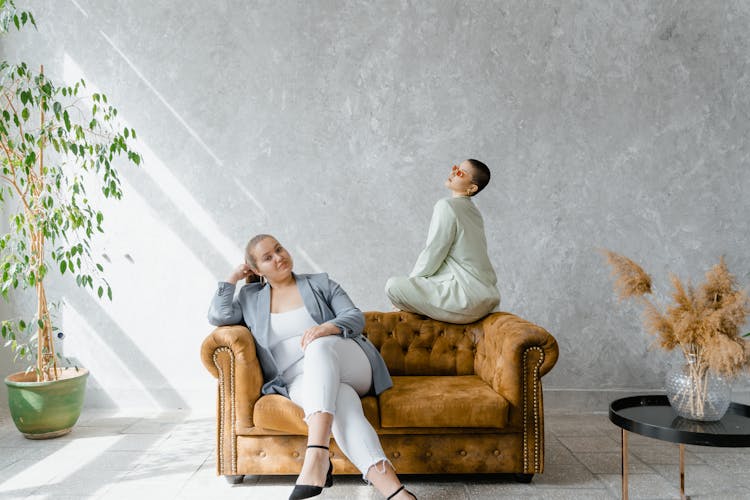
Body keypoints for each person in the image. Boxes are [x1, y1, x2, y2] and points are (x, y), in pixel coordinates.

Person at [208, 234, 416, 500]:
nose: (278, 257)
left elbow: (354, 317)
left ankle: (316, 453)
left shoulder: (319, 283)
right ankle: (397, 493)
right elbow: (219, 315)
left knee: (317, 345)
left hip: (351, 364)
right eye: (268, 257)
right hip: (300, 381)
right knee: (342, 407)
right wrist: (233, 277)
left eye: (279, 249)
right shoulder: (251, 298)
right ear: (257, 270)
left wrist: (326, 328)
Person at [385, 159, 500, 324]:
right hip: (486, 299)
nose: (453, 173)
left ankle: (414, 301)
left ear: (472, 188)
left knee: (393, 286)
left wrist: (409, 290)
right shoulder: (474, 212)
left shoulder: (446, 205)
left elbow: (434, 251)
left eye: (460, 172)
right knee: (411, 286)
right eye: (455, 168)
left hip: (466, 299)